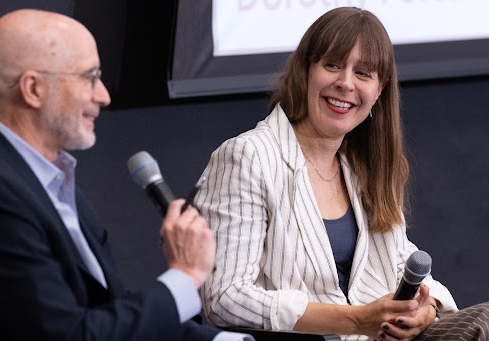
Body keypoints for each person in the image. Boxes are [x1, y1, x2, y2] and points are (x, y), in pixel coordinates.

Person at [194, 6, 489, 341]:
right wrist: (353, 320)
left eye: (363, 74)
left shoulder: (363, 163)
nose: (345, 83)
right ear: (305, 71)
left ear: (379, 91)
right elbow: (223, 297)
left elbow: (399, 261)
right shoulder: (247, 157)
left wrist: (429, 308)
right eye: (332, 65)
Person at [0, 9, 254, 341]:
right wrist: (186, 274)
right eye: (89, 77)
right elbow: (71, 335)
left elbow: (111, 316)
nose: (103, 96)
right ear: (33, 89)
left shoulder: (51, 180)